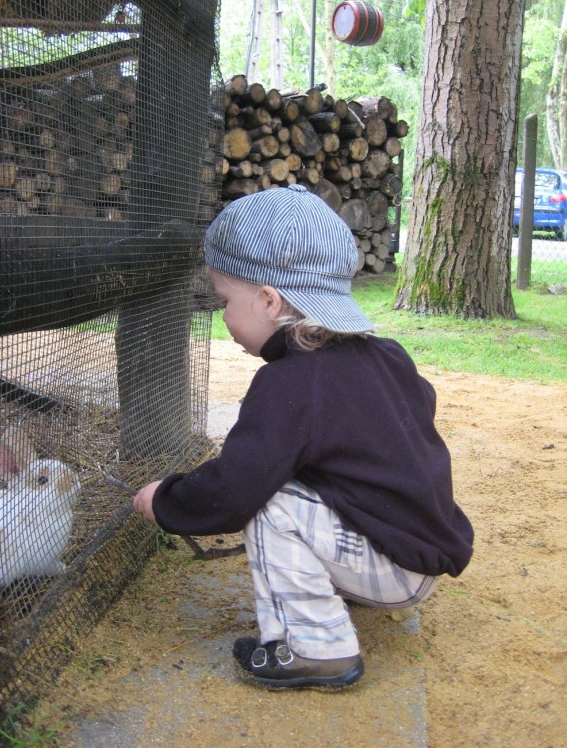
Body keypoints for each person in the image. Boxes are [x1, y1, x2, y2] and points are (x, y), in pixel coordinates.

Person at [133, 184, 474, 690]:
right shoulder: (388, 355)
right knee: (297, 487)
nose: (222, 316)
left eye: (225, 300)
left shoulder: (291, 384)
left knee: (271, 502)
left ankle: (317, 649)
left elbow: (234, 487)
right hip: (416, 549)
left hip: (394, 567)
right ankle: (341, 590)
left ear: (269, 301)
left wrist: (166, 500)